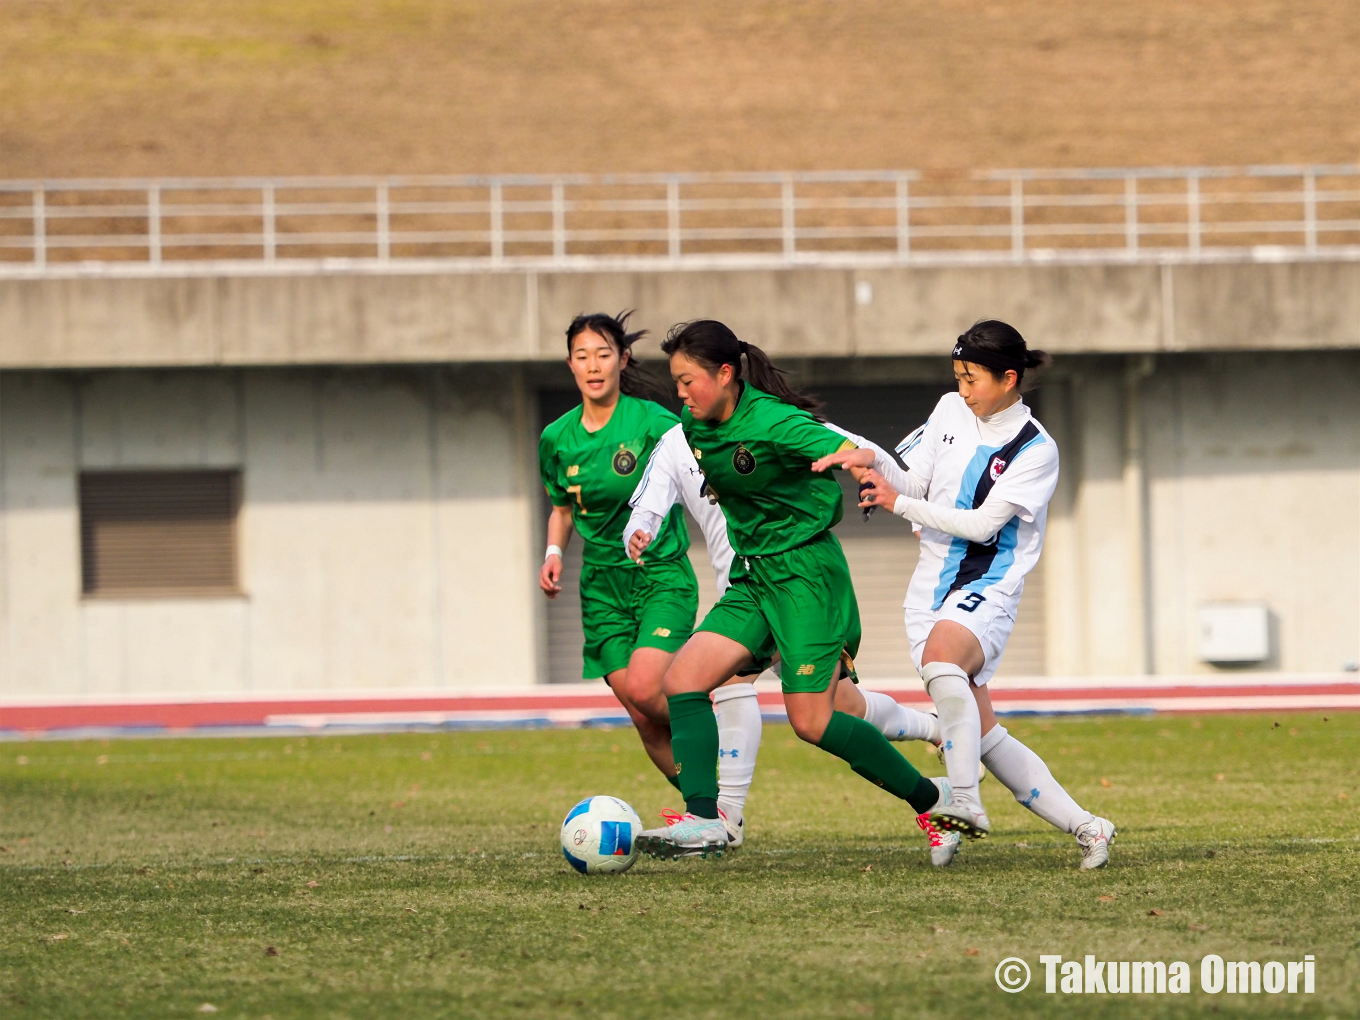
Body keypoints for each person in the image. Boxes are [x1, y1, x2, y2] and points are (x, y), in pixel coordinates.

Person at [632, 320, 949, 861]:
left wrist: (854, 460)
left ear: (726, 373)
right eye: (676, 381)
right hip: (755, 576)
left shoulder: (775, 422)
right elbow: (665, 476)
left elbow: (845, 446)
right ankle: (706, 821)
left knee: (813, 721)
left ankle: (936, 801)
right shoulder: (693, 423)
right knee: (683, 681)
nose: (679, 393)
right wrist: (643, 525)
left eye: (688, 381)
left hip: (806, 576)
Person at [812, 319, 1116, 869]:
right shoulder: (950, 410)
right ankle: (1089, 827)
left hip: (988, 581)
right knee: (985, 733)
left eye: (972, 378)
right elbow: (912, 482)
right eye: (957, 375)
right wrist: (869, 460)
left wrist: (895, 504)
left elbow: (980, 527)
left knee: (942, 662)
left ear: (1008, 378)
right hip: (929, 585)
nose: (964, 388)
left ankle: (963, 803)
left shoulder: (1035, 449)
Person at [538, 311, 762, 846]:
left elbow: (705, 467)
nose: (593, 365)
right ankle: (705, 820)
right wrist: (553, 552)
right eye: (582, 355)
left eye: (603, 354)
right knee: (644, 717)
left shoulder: (656, 422)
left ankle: (715, 715)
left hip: (660, 574)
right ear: (570, 363)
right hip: (600, 588)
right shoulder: (556, 437)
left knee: (648, 687)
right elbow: (563, 509)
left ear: (623, 360)